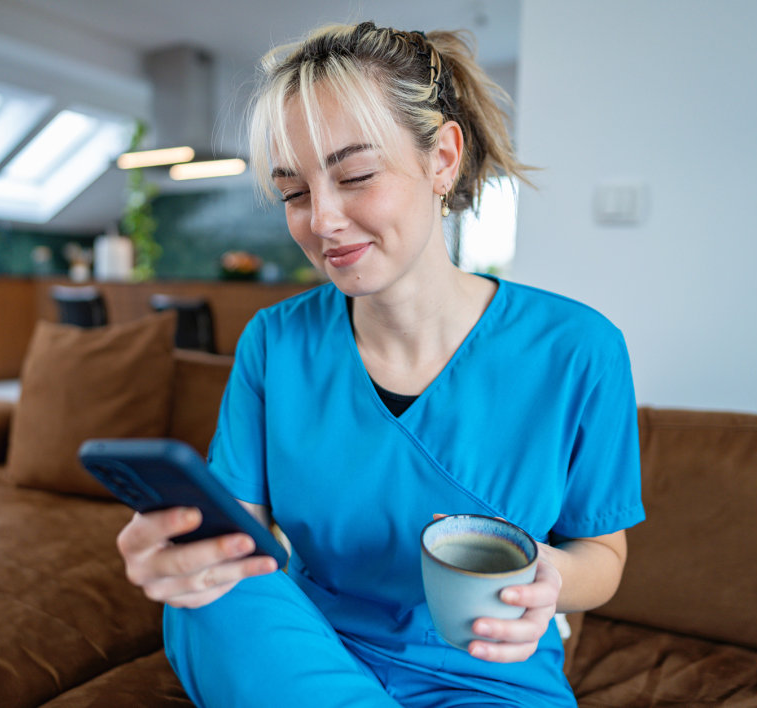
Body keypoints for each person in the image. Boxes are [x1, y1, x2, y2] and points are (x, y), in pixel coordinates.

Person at [116, 21, 644, 707]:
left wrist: (550, 579)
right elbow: (235, 540)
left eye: (356, 176)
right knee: (210, 598)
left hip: (483, 668)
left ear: (442, 159)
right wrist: (179, 555)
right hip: (307, 644)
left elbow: (603, 556)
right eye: (294, 193)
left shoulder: (578, 349)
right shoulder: (275, 342)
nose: (321, 220)